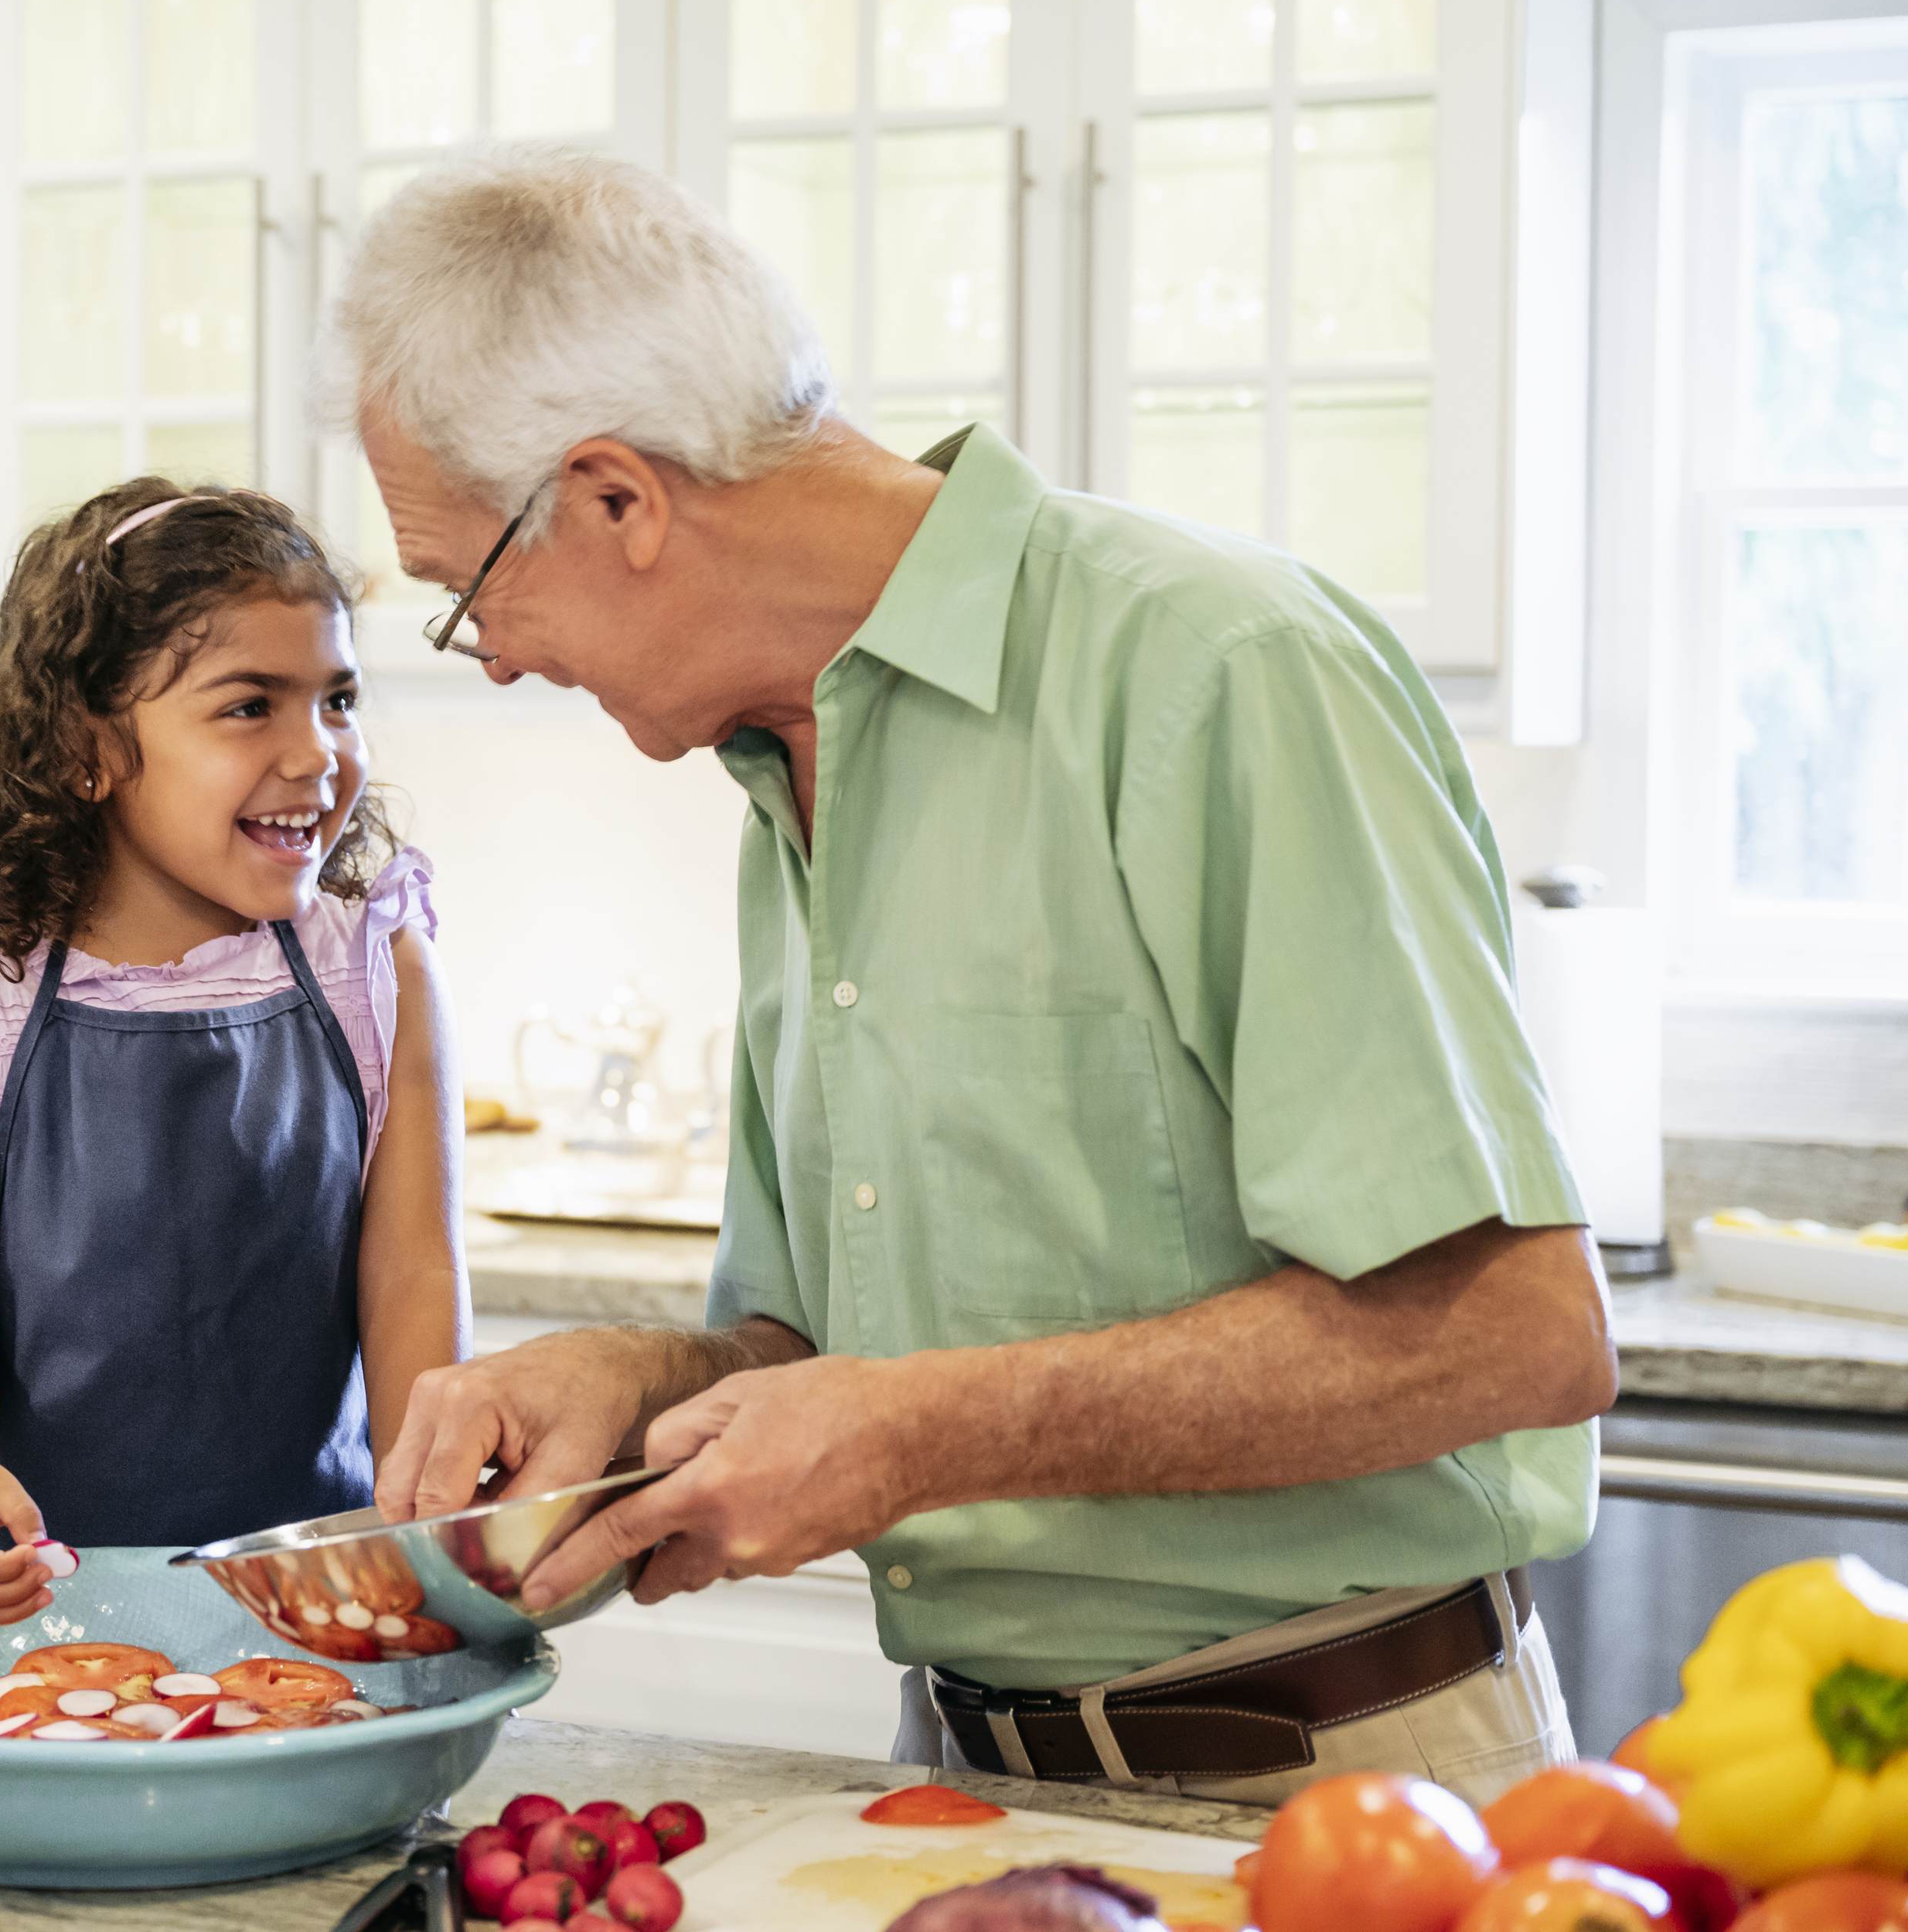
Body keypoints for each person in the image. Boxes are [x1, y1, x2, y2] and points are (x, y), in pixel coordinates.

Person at [332, 146, 1617, 1807]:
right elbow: (829, 1349)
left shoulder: (1212, 667)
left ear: (615, 497)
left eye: (461, 591)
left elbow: (1517, 1334)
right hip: (961, 1769)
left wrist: (924, 1430)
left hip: (1339, 1782)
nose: (488, 650)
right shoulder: (779, 770)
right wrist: (644, 1379)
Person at [0, 479, 468, 1627]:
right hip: (17, 1609)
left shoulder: (374, 968)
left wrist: (426, 1533)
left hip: (304, 1599)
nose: (317, 753)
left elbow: (410, 1280)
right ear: (90, 746)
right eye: (250, 706)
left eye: (335, 699)